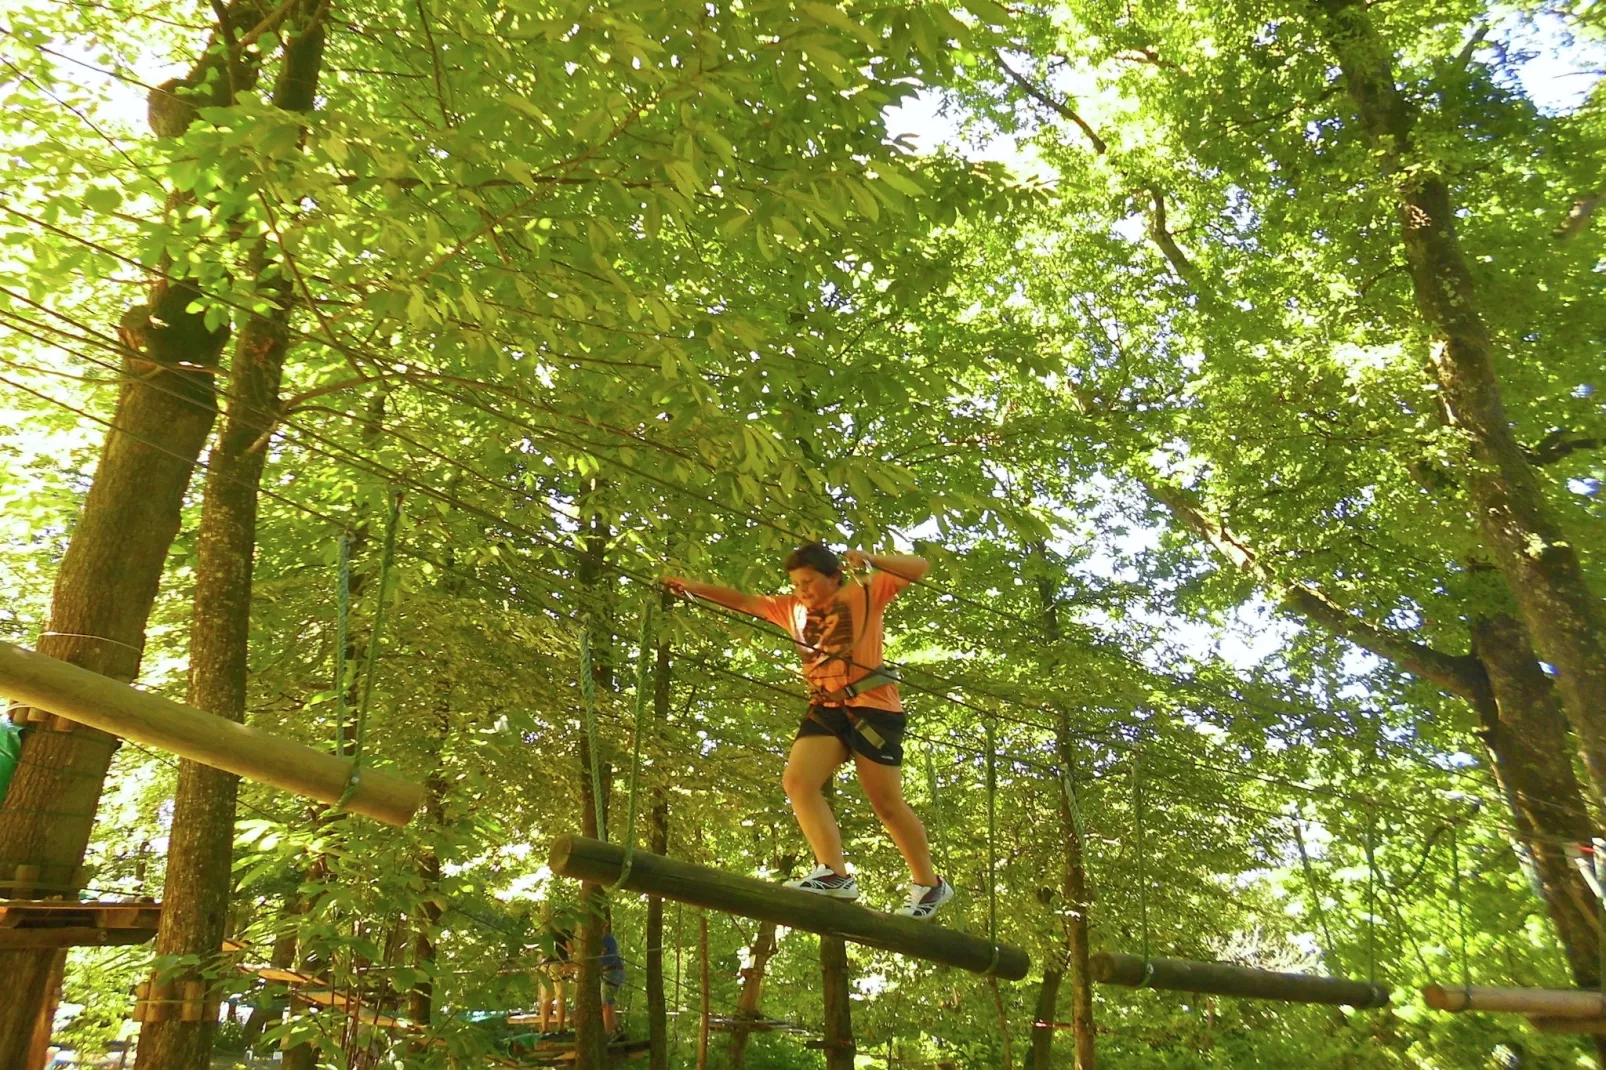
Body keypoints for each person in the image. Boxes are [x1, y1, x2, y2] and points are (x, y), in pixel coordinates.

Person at [664, 543, 954, 920]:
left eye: (809, 582)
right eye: (796, 584)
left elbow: (918, 566)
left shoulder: (862, 592)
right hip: (827, 707)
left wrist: (872, 560)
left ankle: (930, 885)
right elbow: (743, 600)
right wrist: (692, 587)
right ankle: (834, 874)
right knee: (798, 783)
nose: (802, 591)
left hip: (873, 707)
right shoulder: (791, 609)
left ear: (834, 577)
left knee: (886, 805)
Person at [536, 925, 575, 1033]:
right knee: (561, 998)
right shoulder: (565, 931)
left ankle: (544, 1028)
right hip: (558, 965)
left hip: (545, 966)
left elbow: (541, 952)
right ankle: (561, 1028)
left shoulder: (548, 933)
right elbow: (570, 949)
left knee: (546, 999)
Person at [600, 921, 626, 1037]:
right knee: (607, 1001)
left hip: (612, 973)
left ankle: (608, 1033)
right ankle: (616, 1029)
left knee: (606, 1004)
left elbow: (599, 956)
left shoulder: (607, 939)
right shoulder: (605, 939)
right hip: (610, 973)